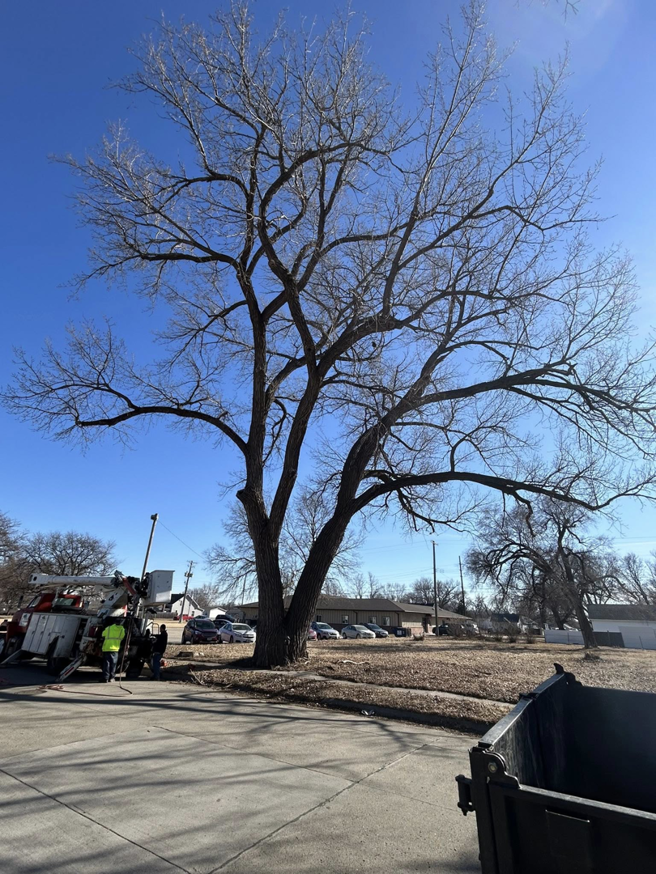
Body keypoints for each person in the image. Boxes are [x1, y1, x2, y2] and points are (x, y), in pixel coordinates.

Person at [101, 617, 126, 682]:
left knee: (107, 664)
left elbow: (103, 634)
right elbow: (122, 637)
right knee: (113, 664)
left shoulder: (108, 628)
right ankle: (112, 678)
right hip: (115, 649)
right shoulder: (122, 630)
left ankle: (105, 678)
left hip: (107, 648)